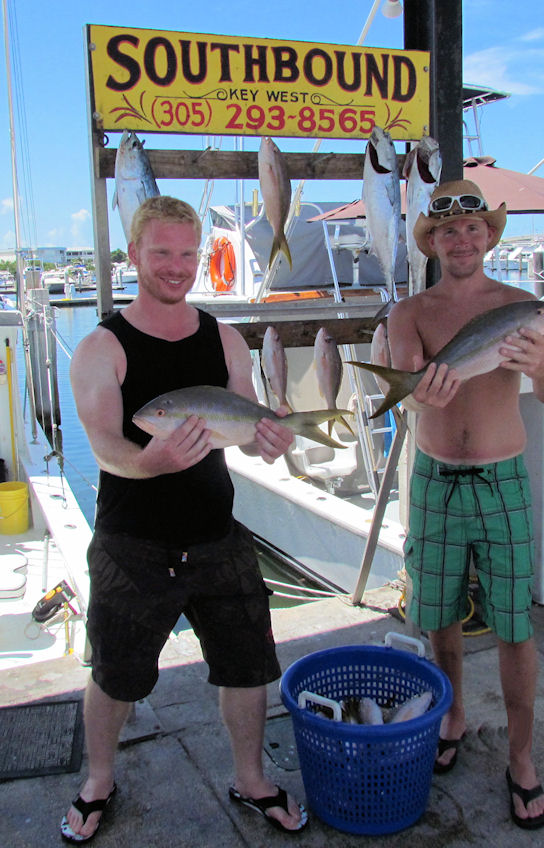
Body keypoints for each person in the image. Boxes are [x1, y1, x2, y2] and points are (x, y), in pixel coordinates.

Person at [61, 196, 308, 843]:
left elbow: (249, 423)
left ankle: (251, 778)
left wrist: (269, 440)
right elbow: (107, 447)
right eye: (162, 252)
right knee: (115, 673)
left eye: (187, 254)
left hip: (217, 536)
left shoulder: (224, 338)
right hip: (131, 544)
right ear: (135, 254)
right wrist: (157, 460)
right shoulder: (100, 347)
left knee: (249, 664)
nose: (176, 267)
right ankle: (98, 781)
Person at [388, 179, 544, 830]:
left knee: (515, 625)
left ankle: (522, 758)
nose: (460, 240)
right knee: (439, 617)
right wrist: (420, 393)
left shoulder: (523, 306)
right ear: (432, 242)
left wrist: (540, 363)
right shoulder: (409, 313)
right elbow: (408, 387)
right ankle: (454, 715)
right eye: (446, 232)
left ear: (489, 236)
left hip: (502, 482)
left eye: (472, 229)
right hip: (434, 480)